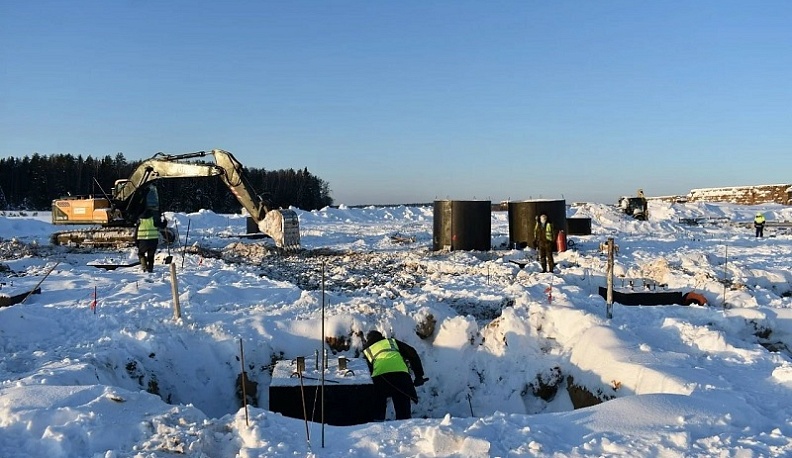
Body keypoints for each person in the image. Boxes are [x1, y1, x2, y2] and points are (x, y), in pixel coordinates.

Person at [363, 330, 427, 421]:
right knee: (403, 413)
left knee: (378, 411)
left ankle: (377, 428)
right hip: (401, 377)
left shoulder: (367, 350)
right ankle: (404, 429)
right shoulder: (391, 342)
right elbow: (412, 353)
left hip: (381, 379)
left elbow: (366, 371)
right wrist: (419, 375)